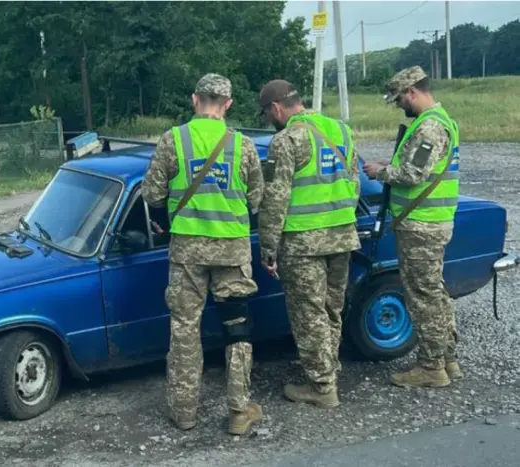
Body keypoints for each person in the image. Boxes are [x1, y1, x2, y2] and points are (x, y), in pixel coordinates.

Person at [141, 73, 264, 435]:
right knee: (237, 330)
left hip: (187, 254)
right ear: (227, 105)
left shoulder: (173, 140)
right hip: (232, 250)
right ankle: (240, 412)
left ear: (195, 99)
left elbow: (151, 194)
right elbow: (257, 199)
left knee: (184, 331)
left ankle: (184, 413)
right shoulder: (243, 145)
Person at [257, 79, 361, 408]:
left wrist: (268, 248)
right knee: (331, 308)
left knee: (308, 314)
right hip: (343, 235)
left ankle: (321, 387)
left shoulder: (286, 140)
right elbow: (354, 179)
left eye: (267, 114)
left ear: (276, 108)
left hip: (303, 242)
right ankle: (329, 369)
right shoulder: (340, 130)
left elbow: (274, 200)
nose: (268, 121)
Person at [363, 66, 461, 388]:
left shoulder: (430, 127)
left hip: (423, 226)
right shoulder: (437, 122)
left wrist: (380, 171)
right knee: (434, 292)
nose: (398, 105)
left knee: (422, 296)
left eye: (399, 99)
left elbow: (413, 175)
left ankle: (431, 368)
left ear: (412, 92)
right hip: (429, 224)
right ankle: (446, 359)